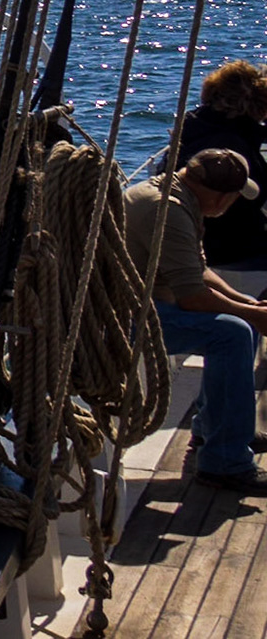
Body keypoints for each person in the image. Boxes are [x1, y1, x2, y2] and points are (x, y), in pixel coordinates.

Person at [125, 148, 267, 490]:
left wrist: (247, 305)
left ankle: (216, 431)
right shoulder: (168, 212)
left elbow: (198, 271)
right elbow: (191, 297)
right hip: (123, 320)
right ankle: (224, 462)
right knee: (231, 333)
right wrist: (253, 315)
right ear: (219, 197)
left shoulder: (177, 195)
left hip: (146, 305)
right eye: (232, 198)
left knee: (242, 319)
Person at [182, 60, 267, 268]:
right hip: (226, 248)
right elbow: (254, 198)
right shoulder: (231, 148)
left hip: (193, 239)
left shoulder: (196, 126)